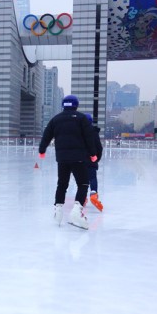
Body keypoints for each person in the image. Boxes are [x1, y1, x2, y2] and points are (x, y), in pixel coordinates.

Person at [38, 95, 99, 229]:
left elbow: (46, 135)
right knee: (83, 184)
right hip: (79, 158)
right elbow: (89, 137)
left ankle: (58, 211)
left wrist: (42, 150)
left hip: (62, 158)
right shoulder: (81, 118)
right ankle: (77, 211)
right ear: (76, 105)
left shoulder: (56, 119)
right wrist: (93, 154)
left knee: (62, 184)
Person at [84, 114, 104, 212]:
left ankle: (82, 197)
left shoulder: (78, 131)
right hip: (92, 160)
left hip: (80, 161)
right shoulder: (94, 132)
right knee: (92, 178)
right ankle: (93, 194)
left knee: (82, 180)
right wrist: (96, 159)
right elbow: (99, 147)